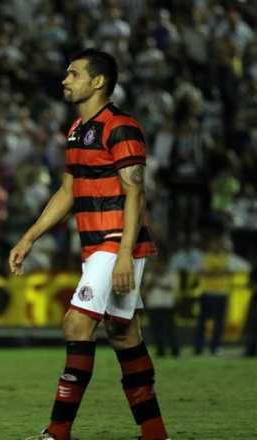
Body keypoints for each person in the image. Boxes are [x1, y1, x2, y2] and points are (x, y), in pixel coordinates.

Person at [10, 49, 170, 440]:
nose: (65, 80)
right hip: (97, 243)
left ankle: (57, 431)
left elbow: (135, 193)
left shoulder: (121, 127)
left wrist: (123, 256)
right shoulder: (77, 130)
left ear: (97, 82)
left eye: (73, 73)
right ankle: (154, 432)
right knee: (123, 333)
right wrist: (30, 236)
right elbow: (68, 190)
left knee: (77, 323)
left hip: (116, 241)